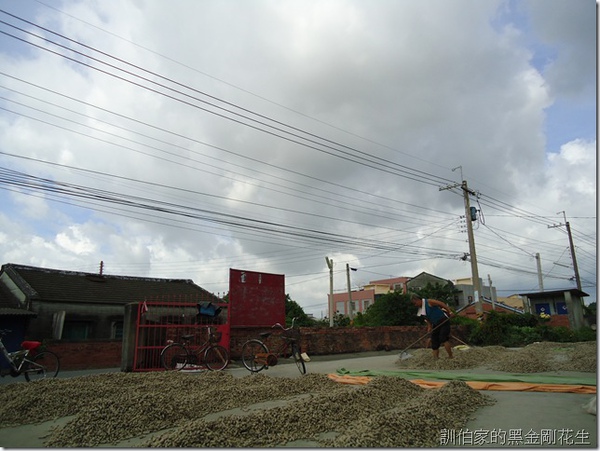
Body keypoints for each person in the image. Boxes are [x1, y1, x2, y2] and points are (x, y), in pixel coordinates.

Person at [410, 293, 454, 359]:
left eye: (415, 303)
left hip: (443, 321)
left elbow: (441, 304)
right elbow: (427, 318)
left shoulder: (429, 302)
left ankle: (450, 356)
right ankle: (436, 358)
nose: (415, 305)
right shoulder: (421, 309)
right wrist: (429, 326)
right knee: (434, 341)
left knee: (443, 338)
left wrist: (450, 312)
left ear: (418, 300)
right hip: (435, 324)